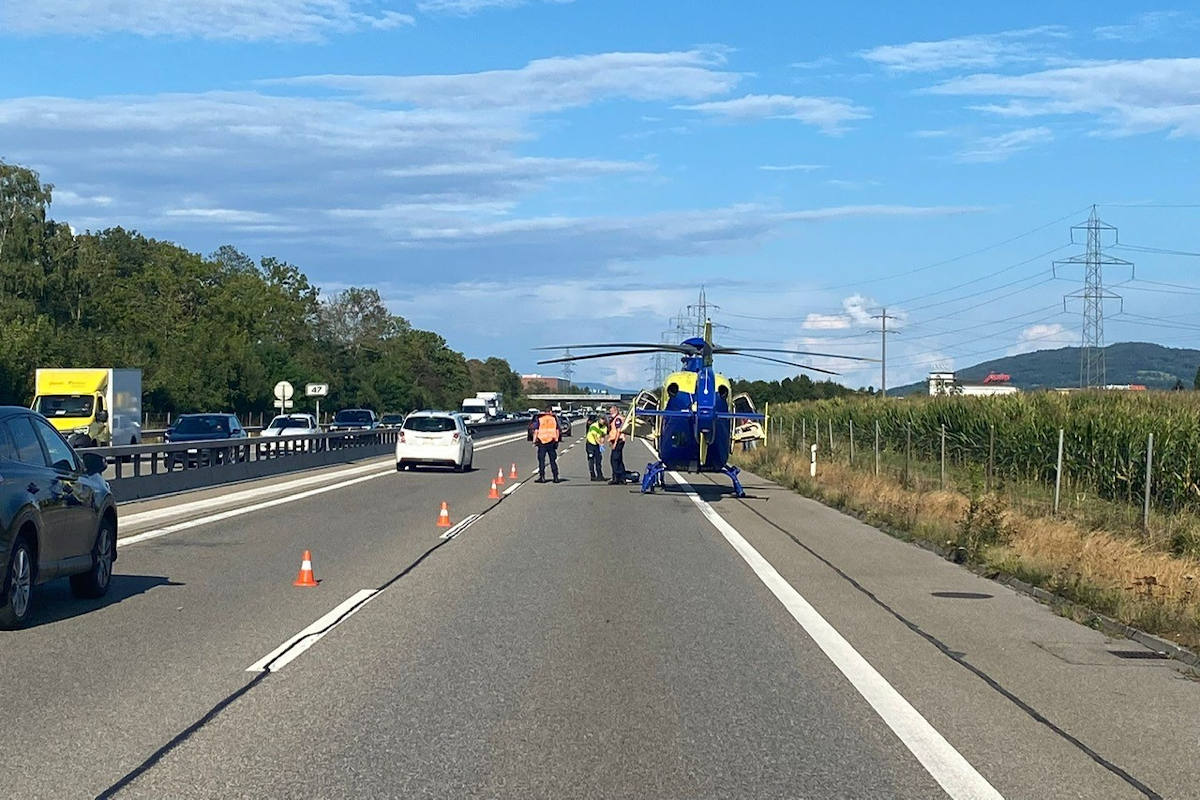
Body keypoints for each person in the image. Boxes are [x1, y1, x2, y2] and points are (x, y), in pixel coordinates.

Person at [532, 406, 563, 483]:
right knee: (553, 460)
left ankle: (542, 477)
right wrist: (556, 440)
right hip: (551, 442)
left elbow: (536, 431)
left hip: (542, 442)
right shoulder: (554, 419)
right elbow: (557, 430)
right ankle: (555, 477)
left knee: (541, 460)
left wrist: (534, 441)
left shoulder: (540, 419)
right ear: (550, 412)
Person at [607, 405, 627, 485]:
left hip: (618, 440)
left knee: (614, 460)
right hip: (618, 440)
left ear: (615, 410)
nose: (610, 412)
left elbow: (618, 431)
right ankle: (622, 478)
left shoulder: (618, 419)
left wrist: (615, 442)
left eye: (611, 411)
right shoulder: (616, 418)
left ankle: (616, 478)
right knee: (618, 460)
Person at [585, 414, 608, 482]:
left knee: (598, 460)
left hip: (597, 445)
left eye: (604, 420)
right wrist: (600, 443)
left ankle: (600, 475)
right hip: (590, 444)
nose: (603, 421)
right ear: (599, 420)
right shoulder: (594, 426)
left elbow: (603, 436)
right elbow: (595, 437)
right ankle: (592, 475)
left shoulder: (604, 427)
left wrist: (602, 443)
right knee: (591, 460)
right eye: (602, 419)